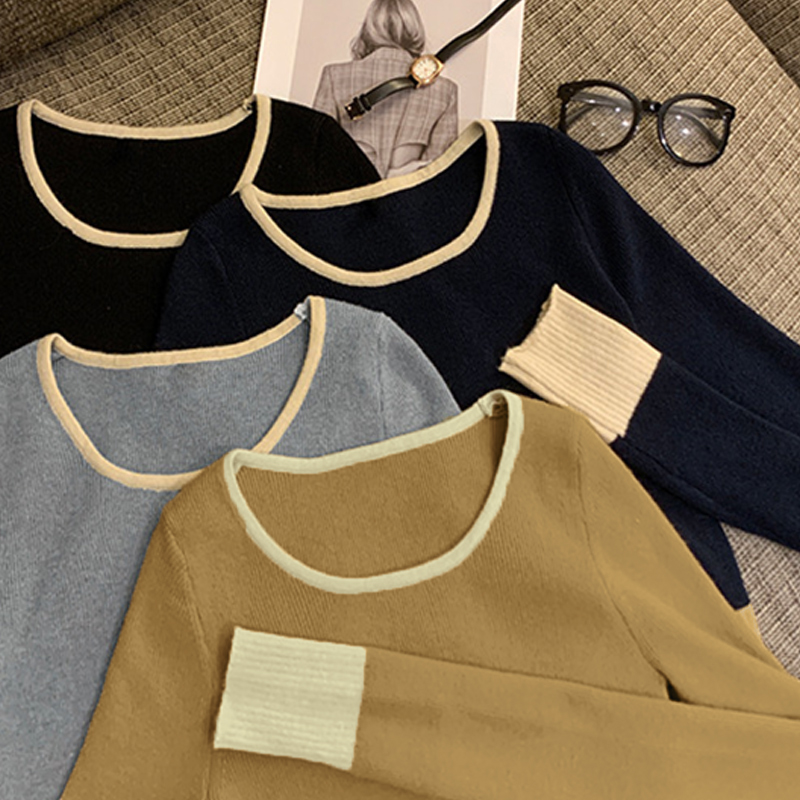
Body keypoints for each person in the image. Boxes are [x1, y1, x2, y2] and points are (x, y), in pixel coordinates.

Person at [313, 0, 459, 178]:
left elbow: (317, 155)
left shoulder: (334, 76)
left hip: (349, 192)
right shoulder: (445, 92)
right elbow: (438, 172)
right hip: (405, 194)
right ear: (415, 29)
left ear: (369, 28)